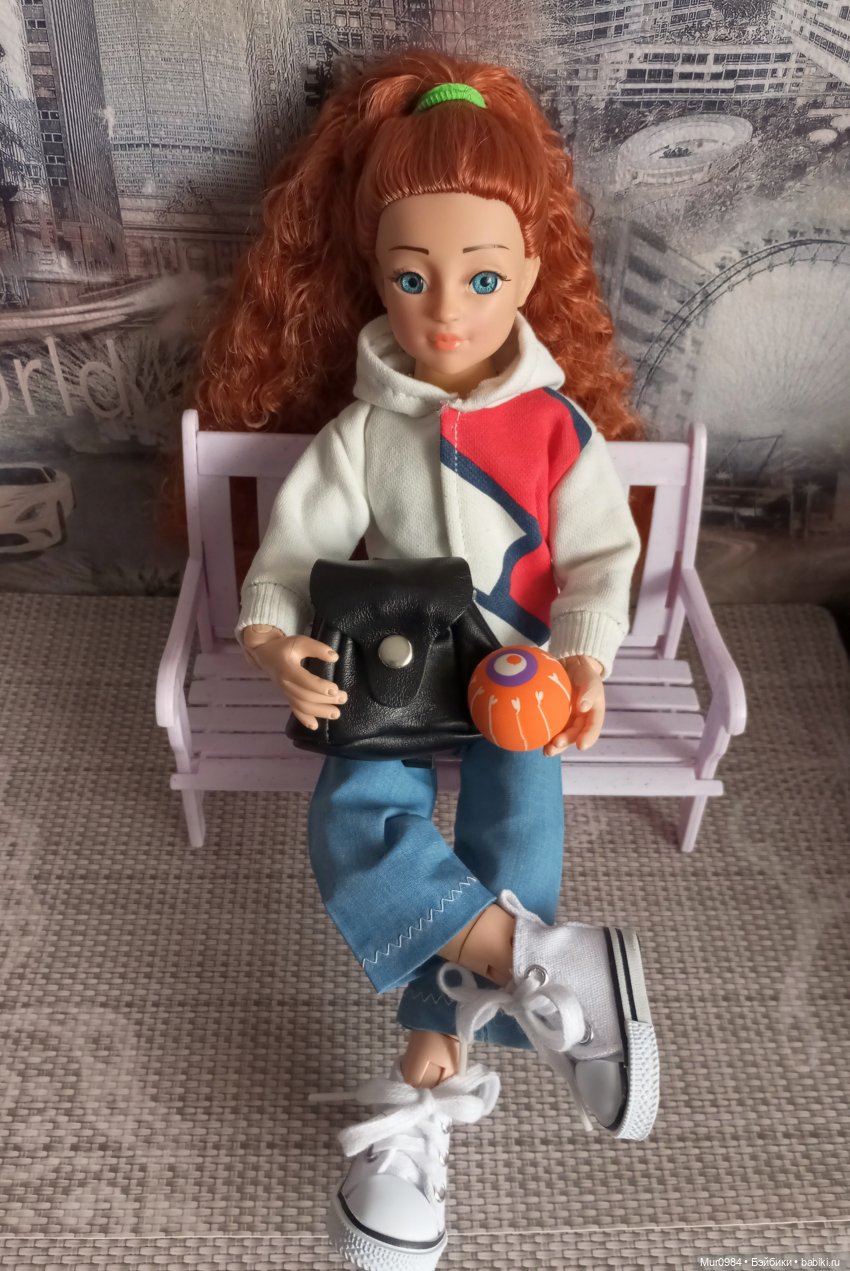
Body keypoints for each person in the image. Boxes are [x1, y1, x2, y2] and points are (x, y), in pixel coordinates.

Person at [194, 50, 660, 1271]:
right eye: (411, 277)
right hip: (393, 673)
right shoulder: (364, 431)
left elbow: (602, 558)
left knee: (517, 838)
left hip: (518, 681)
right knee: (352, 817)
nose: (445, 310)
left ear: (530, 273)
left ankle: (421, 1101)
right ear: (376, 275)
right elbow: (288, 554)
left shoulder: (557, 428)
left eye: (482, 276)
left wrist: (585, 661)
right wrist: (273, 639)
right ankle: (536, 964)